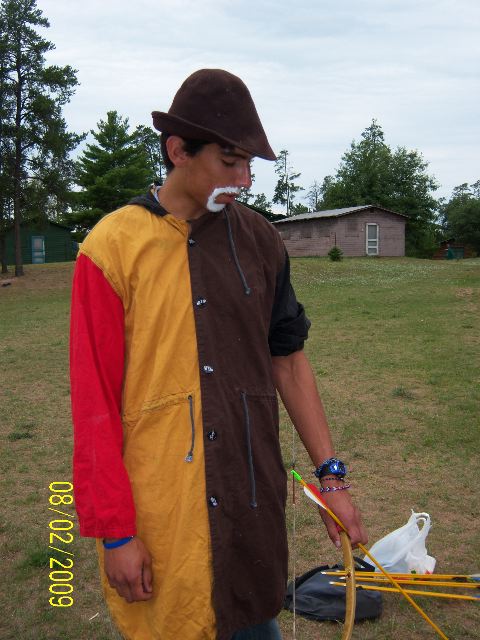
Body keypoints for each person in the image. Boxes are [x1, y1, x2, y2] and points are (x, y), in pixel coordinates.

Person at [70, 68, 367, 640]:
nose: (245, 180)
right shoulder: (111, 248)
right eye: (230, 162)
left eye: (249, 164)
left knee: (254, 617)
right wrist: (116, 533)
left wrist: (332, 478)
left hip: (249, 496)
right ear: (178, 151)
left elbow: (289, 360)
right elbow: (94, 402)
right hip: (163, 510)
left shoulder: (261, 240)